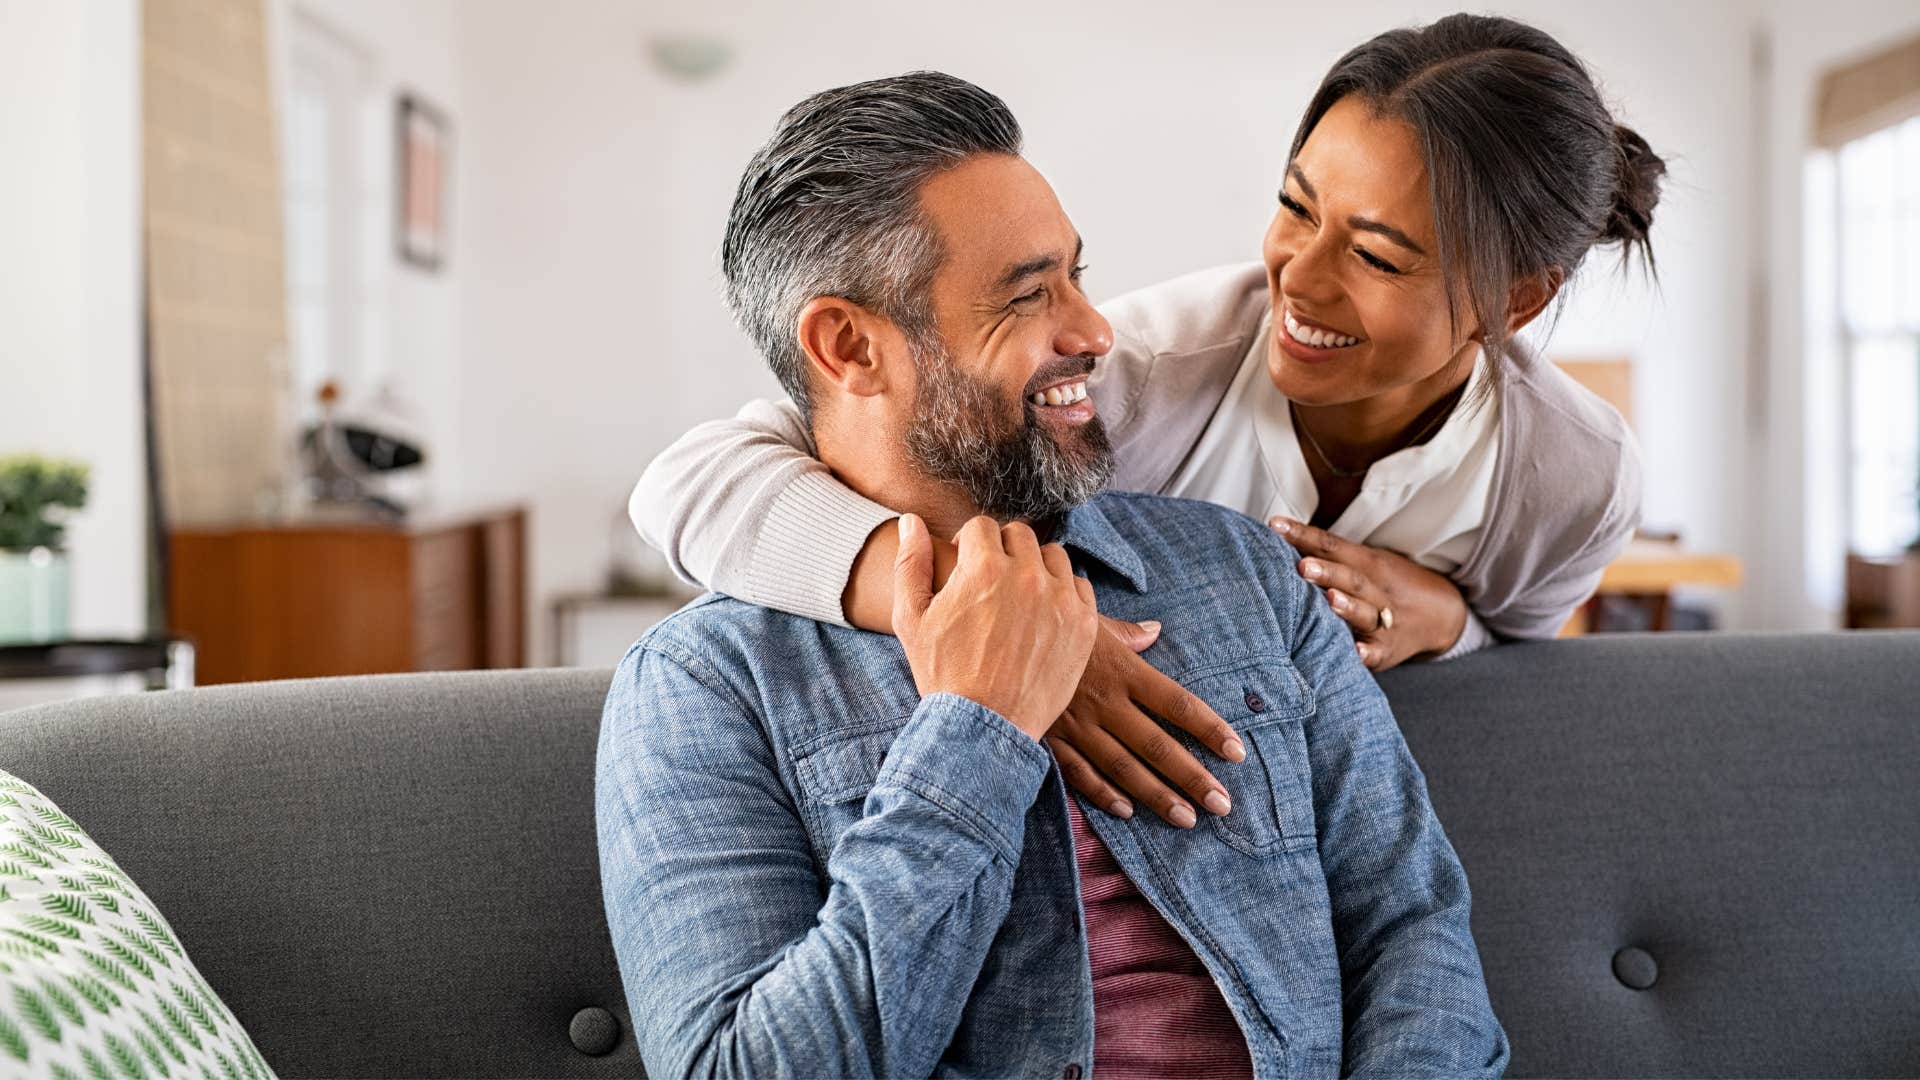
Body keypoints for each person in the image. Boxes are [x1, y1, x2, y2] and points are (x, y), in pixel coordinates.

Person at [597, 71, 1507, 1078]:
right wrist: (975, 732)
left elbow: (1415, 929)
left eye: (1077, 275)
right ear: (849, 346)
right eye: (1029, 295)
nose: (1095, 331)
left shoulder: (1248, 573)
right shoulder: (706, 686)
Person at [628, 14, 1659, 829]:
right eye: (1295, 208)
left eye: (1378, 255)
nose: (1297, 276)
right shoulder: (1148, 372)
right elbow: (690, 482)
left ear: (1514, 301)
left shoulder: (1574, 477)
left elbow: (1524, 662)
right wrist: (1003, 624)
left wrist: (1450, 622)